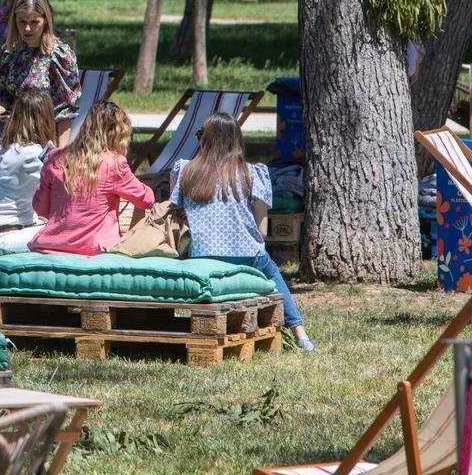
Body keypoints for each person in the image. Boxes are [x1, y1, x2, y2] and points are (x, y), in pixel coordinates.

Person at [170, 112, 313, 350]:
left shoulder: (186, 171)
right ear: (236, 140)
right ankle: (299, 330)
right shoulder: (251, 173)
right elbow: (262, 230)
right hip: (246, 255)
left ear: (204, 140)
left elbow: (178, 214)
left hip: (200, 255)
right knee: (273, 272)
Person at [0, 0, 80, 210]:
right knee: (1, 207)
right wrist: (2, 108)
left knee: (39, 210)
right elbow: (5, 94)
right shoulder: (13, 54)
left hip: (43, 146)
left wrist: (60, 156)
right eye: (21, 21)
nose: (26, 28)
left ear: (46, 20)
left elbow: (66, 109)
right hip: (11, 143)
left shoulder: (59, 56)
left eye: (33, 22)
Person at [28, 101, 155, 255]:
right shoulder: (114, 164)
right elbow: (147, 200)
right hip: (94, 250)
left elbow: (40, 208)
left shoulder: (55, 158)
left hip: (50, 247)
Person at [0, 91, 58, 252]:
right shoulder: (34, 153)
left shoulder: (5, 147)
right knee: (69, 233)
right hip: (8, 238)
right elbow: (61, 182)